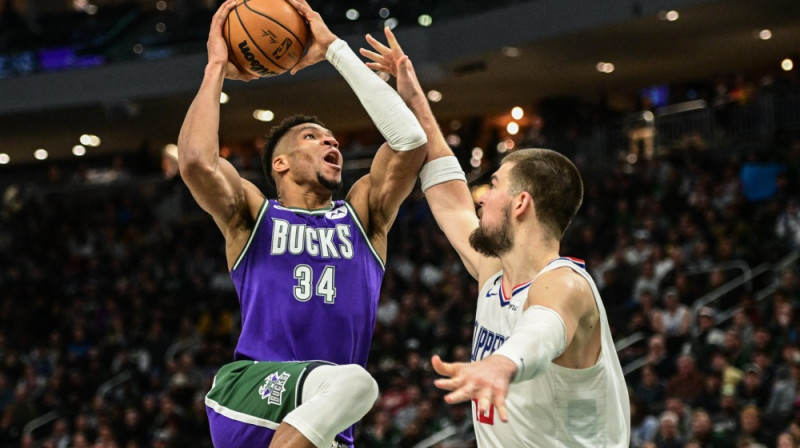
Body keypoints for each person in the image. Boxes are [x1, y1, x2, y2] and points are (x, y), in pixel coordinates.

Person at [362, 28, 630, 446]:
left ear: (521, 203)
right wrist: (413, 95)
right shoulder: (495, 271)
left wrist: (503, 363)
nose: (481, 197)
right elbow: (450, 200)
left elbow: (540, 332)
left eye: (495, 184)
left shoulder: (566, 284)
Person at [177, 0, 428, 446]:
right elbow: (196, 162)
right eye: (311, 137)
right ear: (280, 163)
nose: (329, 139)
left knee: (350, 385)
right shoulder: (252, 215)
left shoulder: (363, 217)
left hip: (325, 416)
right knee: (357, 383)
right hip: (253, 389)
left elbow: (409, 141)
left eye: (330, 136)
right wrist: (216, 67)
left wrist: (334, 49)